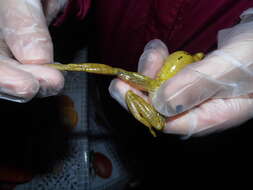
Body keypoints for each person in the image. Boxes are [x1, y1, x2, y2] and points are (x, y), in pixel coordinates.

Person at [1, 0, 253, 188]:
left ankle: (135, 169)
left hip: (206, 60)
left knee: (155, 147)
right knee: (112, 88)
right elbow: (112, 71)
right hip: (118, 42)